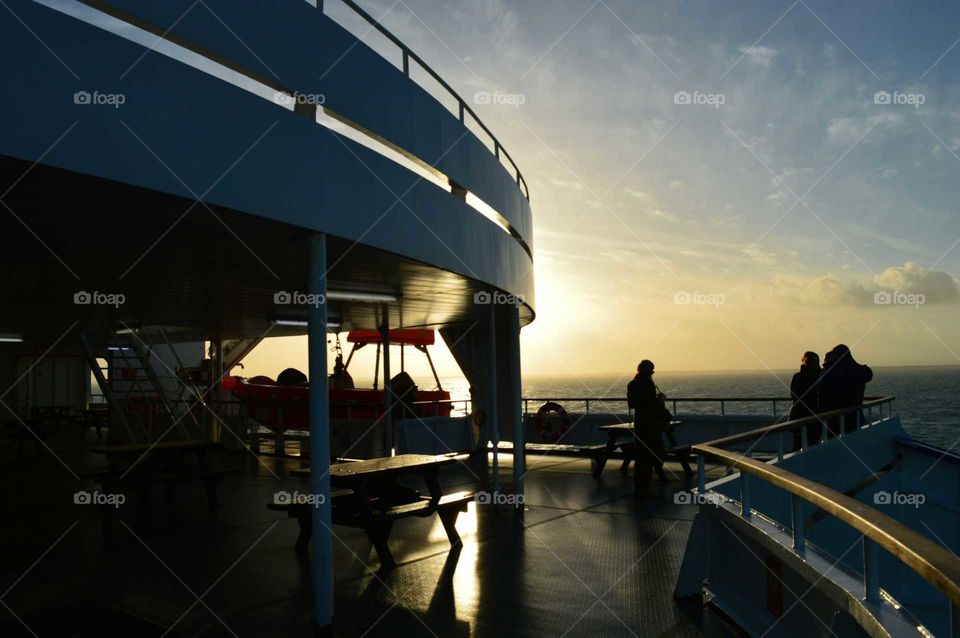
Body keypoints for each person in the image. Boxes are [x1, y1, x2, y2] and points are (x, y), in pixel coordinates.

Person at [627, 360, 671, 497]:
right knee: (656, 453)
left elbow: (633, 404)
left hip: (639, 423)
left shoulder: (632, 384)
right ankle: (646, 487)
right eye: (652, 371)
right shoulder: (647, 385)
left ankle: (641, 488)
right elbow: (652, 405)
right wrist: (662, 403)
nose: (652, 373)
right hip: (650, 425)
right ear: (648, 371)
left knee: (641, 457)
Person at [819, 344, 873, 436]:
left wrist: (827, 364)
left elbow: (823, 382)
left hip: (834, 418)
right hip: (855, 415)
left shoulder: (835, 372)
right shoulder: (860, 371)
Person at [789, 352, 822, 449]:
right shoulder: (798, 377)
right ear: (806, 362)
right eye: (813, 361)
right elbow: (795, 395)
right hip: (800, 414)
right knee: (799, 444)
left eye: (817, 361)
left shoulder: (821, 375)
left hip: (814, 415)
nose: (816, 364)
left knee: (814, 443)